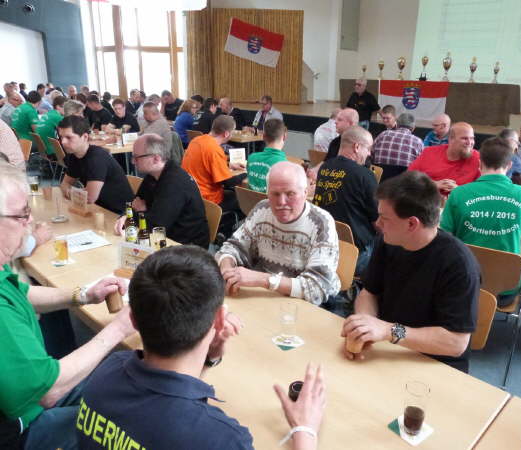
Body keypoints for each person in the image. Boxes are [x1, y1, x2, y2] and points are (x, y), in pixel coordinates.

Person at [76, 245, 326, 450]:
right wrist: (304, 430)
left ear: (132, 319)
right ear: (220, 320)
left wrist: (206, 360)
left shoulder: (107, 370)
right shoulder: (221, 439)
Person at [0, 161, 136, 450]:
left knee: (118, 382)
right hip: (22, 429)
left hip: (29, 394)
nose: (30, 221)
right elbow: (48, 392)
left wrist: (83, 294)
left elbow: (23, 293)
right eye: (21, 214)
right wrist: (119, 328)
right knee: (130, 418)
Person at [341, 171, 480, 373]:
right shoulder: (388, 241)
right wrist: (364, 326)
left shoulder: (459, 264)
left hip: (434, 365)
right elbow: (369, 292)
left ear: (412, 224)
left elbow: (456, 343)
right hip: (389, 351)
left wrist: (389, 331)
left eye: (384, 218)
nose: (378, 224)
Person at [216, 161, 340, 306]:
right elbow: (233, 247)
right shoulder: (262, 210)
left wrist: (263, 279)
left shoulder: (321, 223)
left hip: (306, 304)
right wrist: (227, 268)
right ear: (267, 193)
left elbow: (317, 289)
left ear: (305, 193)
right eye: (275, 194)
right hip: (265, 296)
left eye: (290, 194)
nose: (281, 202)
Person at [440, 136, 521, 306]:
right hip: (505, 289)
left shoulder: (458, 193)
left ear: (479, 164)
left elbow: (446, 239)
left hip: (462, 282)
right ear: (509, 165)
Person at [113, 134, 210, 248]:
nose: (133, 162)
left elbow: (156, 225)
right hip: (167, 236)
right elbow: (135, 203)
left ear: (156, 158)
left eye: (136, 157)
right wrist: (131, 214)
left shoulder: (174, 182)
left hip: (187, 246)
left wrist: (135, 215)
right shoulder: (154, 174)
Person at [313, 126, 378, 276]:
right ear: (357, 147)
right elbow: (378, 222)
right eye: (368, 148)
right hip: (356, 255)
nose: (369, 153)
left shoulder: (324, 168)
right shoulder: (365, 175)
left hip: (325, 248)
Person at [58, 115, 134, 214]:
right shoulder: (74, 154)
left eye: (69, 137)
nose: (63, 142)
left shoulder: (96, 158)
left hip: (120, 213)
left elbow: (89, 197)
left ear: (85, 137)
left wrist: (70, 192)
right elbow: (64, 184)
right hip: (98, 208)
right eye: (61, 137)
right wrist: (77, 193)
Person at [182, 115, 247, 213]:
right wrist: (246, 174)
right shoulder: (214, 149)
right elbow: (228, 182)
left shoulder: (196, 140)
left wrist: (229, 165)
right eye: (232, 132)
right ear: (226, 134)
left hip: (190, 196)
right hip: (208, 201)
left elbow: (204, 163)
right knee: (243, 198)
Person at [408, 122, 480, 196]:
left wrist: (459, 191)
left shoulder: (478, 159)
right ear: (451, 139)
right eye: (464, 138)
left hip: (461, 201)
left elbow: (484, 192)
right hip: (427, 200)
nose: (470, 142)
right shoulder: (429, 152)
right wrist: (432, 185)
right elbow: (408, 179)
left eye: (472, 138)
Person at [372, 112, 424, 182]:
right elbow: (421, 166)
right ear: (413, 128)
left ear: (397, 124)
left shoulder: (383, 135)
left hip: (379, 181)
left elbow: (371, 154)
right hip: (404, 184)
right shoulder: (418, 142)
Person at [247, 118, 288, 193]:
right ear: (285, 137)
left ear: (263, 136)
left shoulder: (251, 158)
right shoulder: (284, 165)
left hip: (250, 200)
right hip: (270, 201)